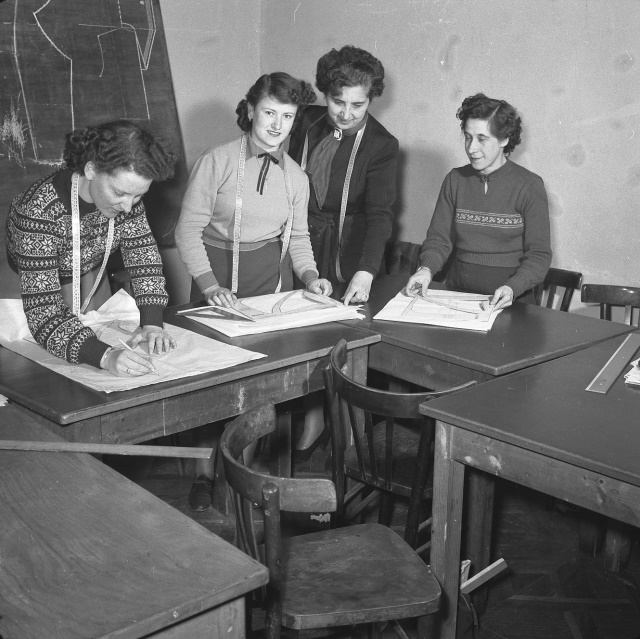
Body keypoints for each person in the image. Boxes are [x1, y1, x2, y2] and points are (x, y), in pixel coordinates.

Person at [175, 72, 332, 511]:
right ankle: (204, 475)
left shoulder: (296, 177)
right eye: (269, 113)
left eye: (288, 116)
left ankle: (246, 475)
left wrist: (311, 277)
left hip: (269, 283)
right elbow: (187, 231)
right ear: (249, 111)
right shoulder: (217, 161)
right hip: (215, 276)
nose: (278, 125)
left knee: (259, 383)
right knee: (208, 382)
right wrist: (209, 286)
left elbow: (297, 238)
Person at [287, 44, 399, 461]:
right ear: (325, 95)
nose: (346, 114)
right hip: (301, 241)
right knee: (301, 339)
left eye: (358, 104)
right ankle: (314, 420)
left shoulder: (382, 145)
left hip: (350, 251)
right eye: (338, 102)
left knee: (344, 345)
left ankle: (352, 446)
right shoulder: (306, 123)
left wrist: (366, 271)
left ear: (371, 99)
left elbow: (380, 215)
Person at [6, 120, 178, 377]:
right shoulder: (38, 211)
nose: (128, 207)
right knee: (38, 373)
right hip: (25, 289)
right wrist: (104, 356)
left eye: (138, 196)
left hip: (90, 278)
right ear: (91, 169)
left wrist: (151, 323)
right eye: (119, 192)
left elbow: (143, 258)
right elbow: (43, 311)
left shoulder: (127, 201)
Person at [405, 93, 551, 310]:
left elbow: (539, 255)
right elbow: (439, 239)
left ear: (505, 139)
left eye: (482, 139)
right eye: (467, 137)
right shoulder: (455, 180)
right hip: (457, 292)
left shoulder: (529, 185)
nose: (471, 148)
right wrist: (425, 269)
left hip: (510, 298)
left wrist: (513, 287)